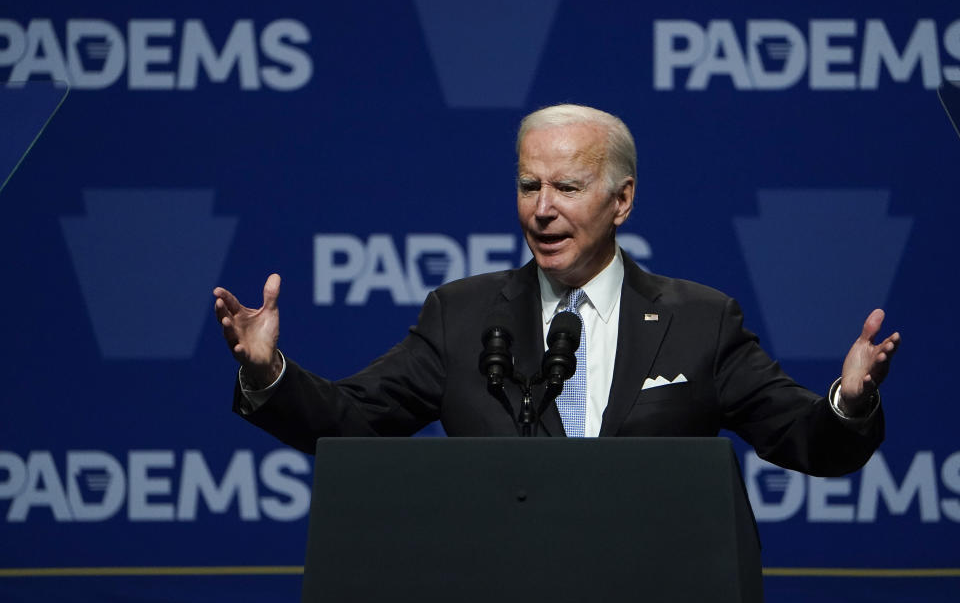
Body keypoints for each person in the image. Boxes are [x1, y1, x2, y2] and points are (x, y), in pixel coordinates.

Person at [213, 104, 899, 476]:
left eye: (567, 188)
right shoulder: (462, 316)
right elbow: (350, 422)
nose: (542, 209)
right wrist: (269, 373)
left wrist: (849, 403)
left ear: (622, 201)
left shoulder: (700, 321)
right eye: (528, 186)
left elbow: (808, 443)